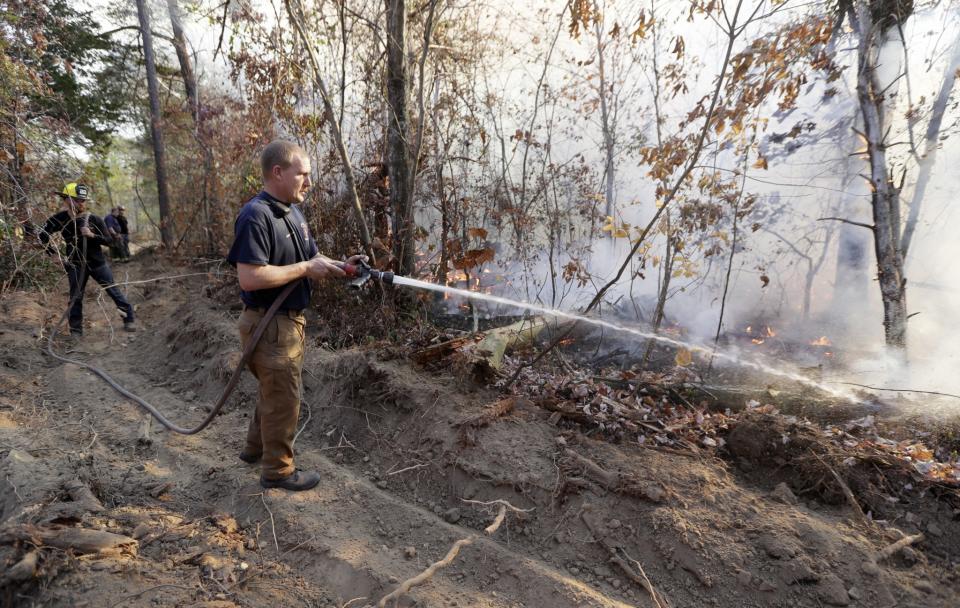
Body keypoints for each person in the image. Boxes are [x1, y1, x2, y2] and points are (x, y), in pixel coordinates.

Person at [227, 140, 364, 492]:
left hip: (286, 325)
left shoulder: (292, 211)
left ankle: (254, 450)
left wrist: (343, 267)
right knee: (284, 398)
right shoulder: (256, 215)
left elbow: (311, 259)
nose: (309, 181)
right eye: (302, 173)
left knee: (272, 391)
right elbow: (250, 276)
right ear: (278, 172)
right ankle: (278, 471)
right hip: (269, 324)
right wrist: (306, 267)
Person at [39, 183, 136, 336]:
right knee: (75, 298)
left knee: (113, 291)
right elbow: (42, 235)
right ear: (66, 200)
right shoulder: (59, 219)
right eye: (77, 200)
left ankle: (129, 319)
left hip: (98, 264)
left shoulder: (94, 219)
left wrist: (92, 235)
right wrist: (53, 254)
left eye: (83, 200)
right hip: (75, 265)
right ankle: (76, 331)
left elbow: (111, 241)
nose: (81, 203)